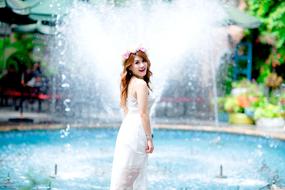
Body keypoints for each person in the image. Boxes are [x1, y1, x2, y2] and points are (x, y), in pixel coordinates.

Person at [110, 47, 154, 190]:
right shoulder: (140, 84)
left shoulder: (129, 82)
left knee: (126, 173)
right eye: (137, 62)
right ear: (129, 67)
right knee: (129, 177)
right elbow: (143, 113)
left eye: (143, 61)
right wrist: (149, 138)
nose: (142, 65)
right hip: (136, 130)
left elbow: (128, 110)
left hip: (127, 128)